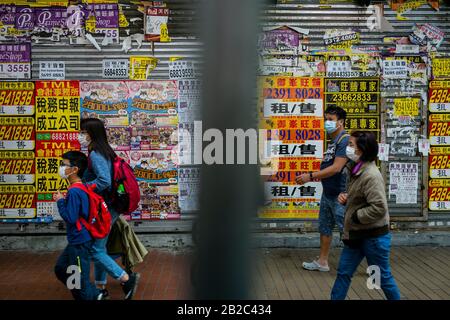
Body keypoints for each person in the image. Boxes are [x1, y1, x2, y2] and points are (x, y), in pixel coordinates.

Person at [331, 131, 400, 300]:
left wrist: (355, 216)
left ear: (361, 150)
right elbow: (361, 197)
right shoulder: (354, 168)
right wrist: (347, 198)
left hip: (373, 238)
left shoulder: (371, 175)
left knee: (382, 278)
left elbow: (379, 207)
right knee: (343, 273)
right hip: (356, 235)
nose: (348, 148)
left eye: (351, 145)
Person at [79, 118, 140, 300]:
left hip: (104, 209)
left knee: (95, 250)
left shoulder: (96, 154)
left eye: (82, 132)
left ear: (91, 133)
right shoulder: (103, 150)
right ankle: (101, 287)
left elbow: (104, 181)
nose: (80, 136)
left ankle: (126, 279)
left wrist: (84, 187)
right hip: (108, 207)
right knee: (100, 247)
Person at [296, 106, 349, 272]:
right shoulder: (333, 142)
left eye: (331, 120)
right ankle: (322, 261)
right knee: (325, 228)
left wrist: (310, 176)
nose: (327, 123)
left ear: (340, 122)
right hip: (328, 194)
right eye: (326, 119)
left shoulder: (345, 140)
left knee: (348, 232)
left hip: (340, 195)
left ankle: (372, 264)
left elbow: (336, 168)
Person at [54, 151, 104, 300]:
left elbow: (70, 217)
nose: (61, 167)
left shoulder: (75, 190)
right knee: (61, 268)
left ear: (75, 169)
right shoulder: (80, 188)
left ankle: (90, 296)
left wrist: (60, 201)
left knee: (78, 279)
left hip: (79, 240)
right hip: (78, 239)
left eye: (64, 164)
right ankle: (95, 294)